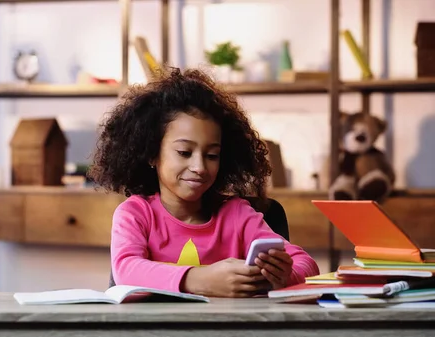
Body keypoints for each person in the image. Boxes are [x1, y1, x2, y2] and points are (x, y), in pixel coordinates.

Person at [87, 67, 319, 298]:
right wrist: (198, 279)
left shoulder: (237, 215)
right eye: (184, 152)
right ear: (151, 154)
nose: (199, 167)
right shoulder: (135, 214)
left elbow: (307, 265)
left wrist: (284, 276)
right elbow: (126, 272)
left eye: (211, 156)